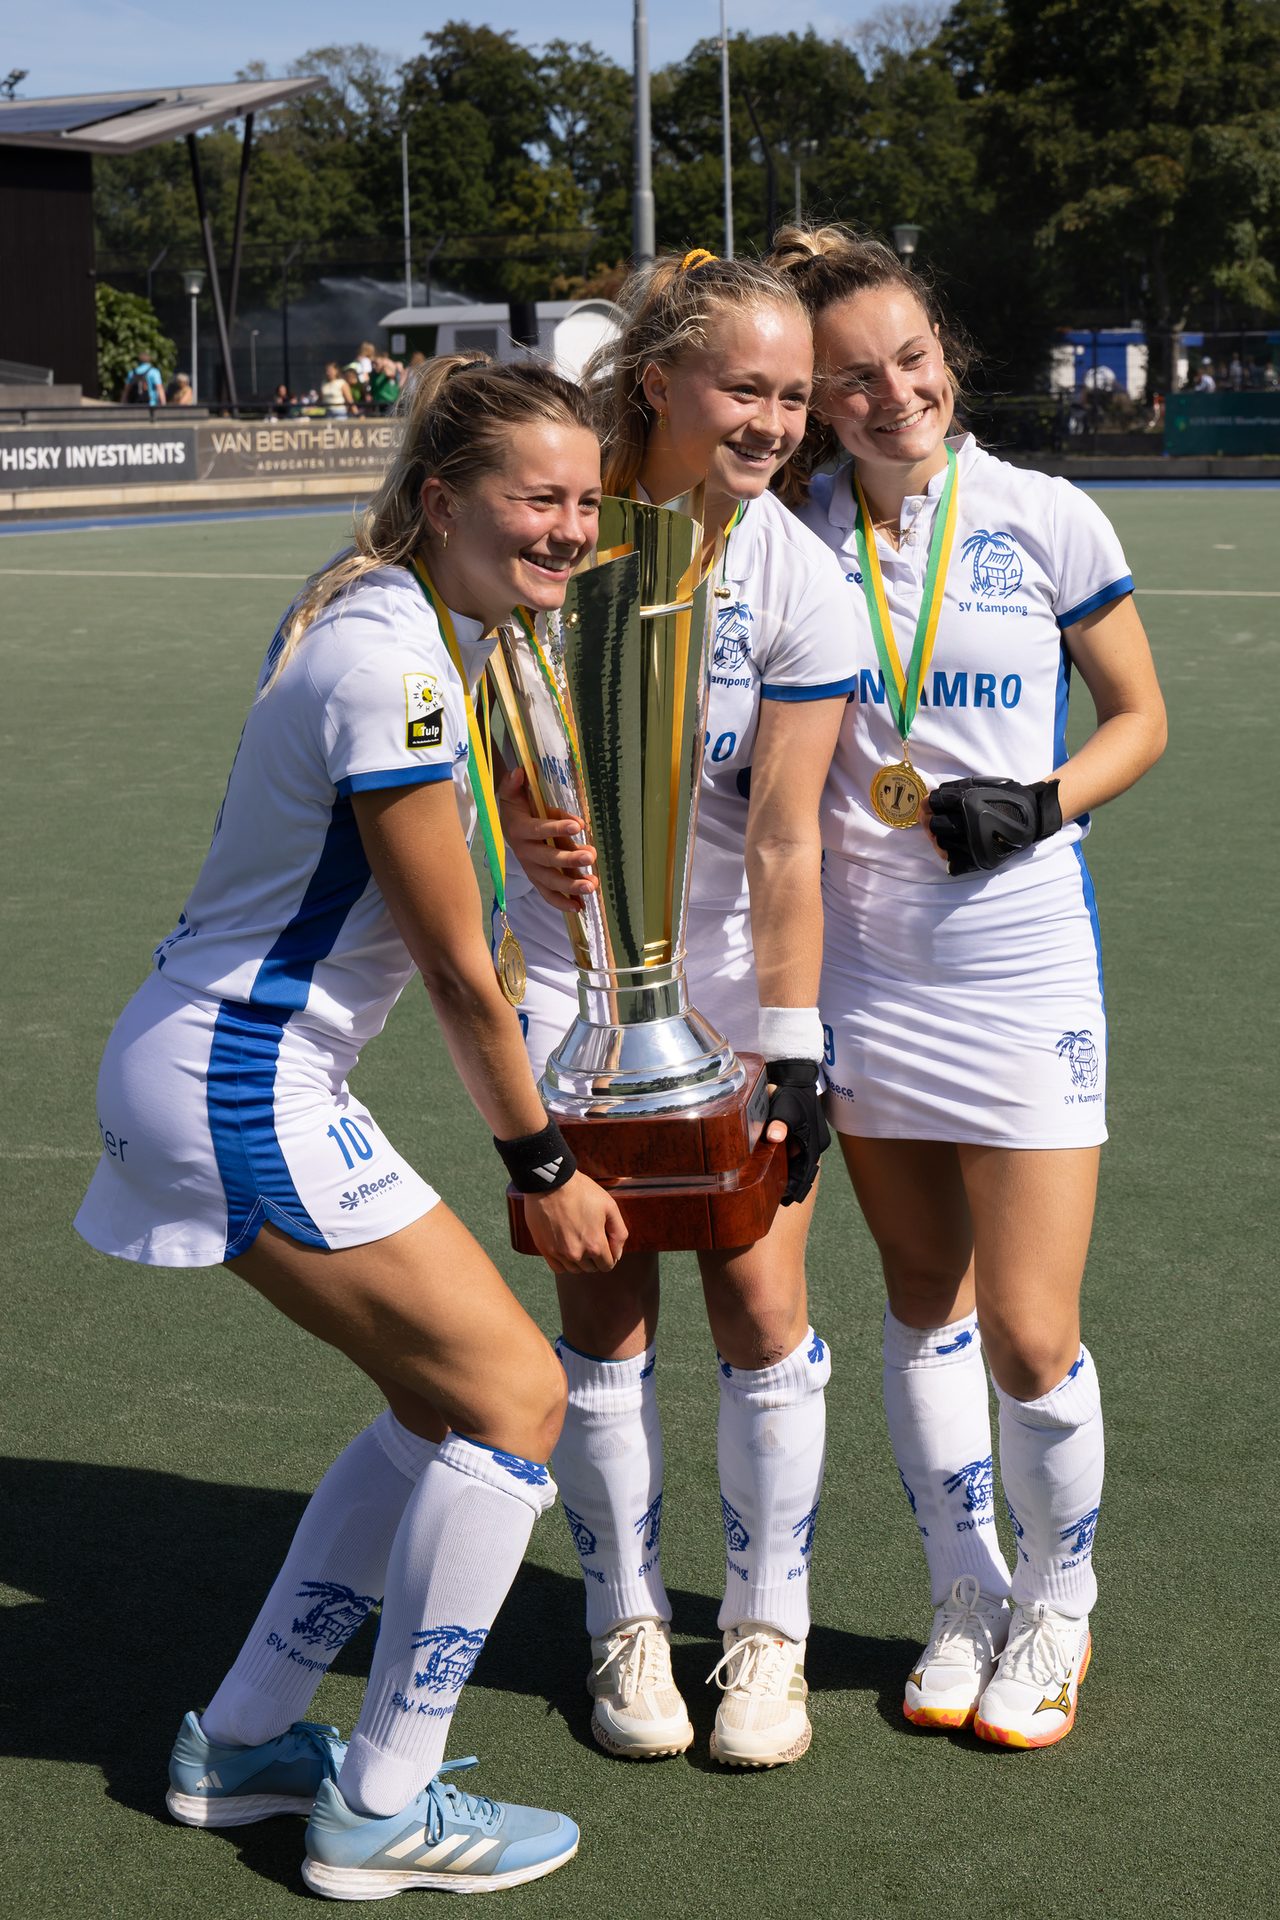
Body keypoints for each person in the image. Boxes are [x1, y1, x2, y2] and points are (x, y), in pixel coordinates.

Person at [74, 356, 626, 1897]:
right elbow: (457, 969)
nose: (568, 528)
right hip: (241, 1078)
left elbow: (378, 849)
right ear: (443, 497)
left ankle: (247, 1742)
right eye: (535, 497)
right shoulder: (394, 661)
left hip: (216, 1065)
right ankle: (380, 1804)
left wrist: (498, 825)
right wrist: (542, 1162)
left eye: (585, 499)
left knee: (440, 1406)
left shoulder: (385, 619)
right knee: (520, 1398)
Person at [770, 224, 1167, 1748]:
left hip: (1020, 968)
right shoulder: (789, 528)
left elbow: (1138, 716)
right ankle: (963, 1593)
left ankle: (1058, 1608)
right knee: (920, 1303)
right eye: (854, 379)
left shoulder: (1043, 515)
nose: (892, 396)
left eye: (911, 362)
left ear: (948, 357)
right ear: (818, 399)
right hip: (864, 972)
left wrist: (1046, 799)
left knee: (1027, 1329)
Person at [498, 251, 855, 1768]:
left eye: (794, 394)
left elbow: (784, 834)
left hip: (722, 986)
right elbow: (466, 709)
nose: (774, 422)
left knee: (764, 1301)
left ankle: (768, 1634)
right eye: (745, 390)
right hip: (568, 982)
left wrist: (793, 1043)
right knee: (605, 1312)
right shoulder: (555, 519)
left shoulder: (795, 575)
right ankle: (625, 1618)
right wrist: (510, 809)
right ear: (658, 383)